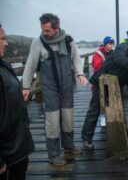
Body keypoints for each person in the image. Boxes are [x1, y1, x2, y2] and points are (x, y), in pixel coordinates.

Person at [22, 13, 88, 165]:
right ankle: (53, 154)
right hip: (49, 87)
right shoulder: (38, 43)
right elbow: (30, 65)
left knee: (68, 117)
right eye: (42, 30)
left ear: (56, 28)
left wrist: (80, 73)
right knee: (52, 121)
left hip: (67, 86)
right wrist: (26, 86)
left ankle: (69, 145)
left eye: (47, 30)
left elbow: (76, 59)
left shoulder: (68, 40)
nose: (44, 33)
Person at [81, 30, 128, 150]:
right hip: (103, 82)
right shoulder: (124, 47)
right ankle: (86, 139)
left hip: (115, 84)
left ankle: (125, 136)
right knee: (95, 109)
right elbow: (119, 59)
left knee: (118, 109)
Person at [0, 24, 35, 180]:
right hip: (6, 154)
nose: (6, 43)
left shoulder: (4, 66)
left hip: (16, 149)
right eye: (2, 39)